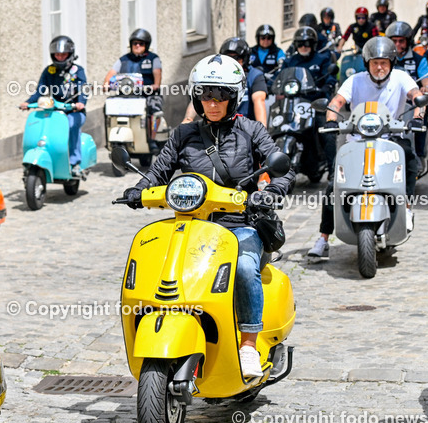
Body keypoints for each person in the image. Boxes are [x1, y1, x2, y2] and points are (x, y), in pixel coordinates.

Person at [120, 54, 294, 379]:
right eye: (205, 95)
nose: (213, 103)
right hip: (192, 225)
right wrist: (138, 189)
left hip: (240, 225)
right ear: (196, 97)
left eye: (221, 96)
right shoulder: (183, 135)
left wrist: (266, 194)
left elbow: (282, 168)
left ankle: (247, 344)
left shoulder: (250, 131)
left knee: (243, 267)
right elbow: (158, 171)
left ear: (233, 97)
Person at [307, 37, 427, 261]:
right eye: (374, 63)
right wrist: (331, 119)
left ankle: (407, 207)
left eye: (384, 62)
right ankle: (323, 238)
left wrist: (419, 114)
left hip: (391, 136)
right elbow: (337, 102)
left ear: (392, 62)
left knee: (411, 162)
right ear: (367, 63)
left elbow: (416, 96)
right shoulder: (355, 81)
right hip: (357, 138)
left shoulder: (401, 77)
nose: (379, 67)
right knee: (334, 183)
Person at [20, 35, 88, 177]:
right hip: (56, 110)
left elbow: (83, 89)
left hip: (73, 111)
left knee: (70, 125)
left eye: (63, 54)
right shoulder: (49, 70)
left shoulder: (78, 70)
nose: (60, 57)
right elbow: (40, 90)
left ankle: (75, 162)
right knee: (41, 123)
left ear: (70, 54)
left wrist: (81, 103)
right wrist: (28, 102)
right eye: (57, 54)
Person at [280, 26, 337, 177]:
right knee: (277, 127)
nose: (303, 47)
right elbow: (279, 78)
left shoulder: (322, 59)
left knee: (328, 132)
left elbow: (329, 76)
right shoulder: (290, 61)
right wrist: (272, 85)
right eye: (300, 44)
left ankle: (333, 172)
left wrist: (327, 85)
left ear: (313, 44)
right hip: (293, 104)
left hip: (316, 104)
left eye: (307, 43)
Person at [102, 28, 165, 153]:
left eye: (140, 43)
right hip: (127, 95)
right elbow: (112, 72)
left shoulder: (153, 58)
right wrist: (106, 84)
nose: (137, 46)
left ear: (146, 45)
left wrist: (154, 85)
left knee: (154, 109)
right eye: (134, 43)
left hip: (148, 94)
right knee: (108, 107)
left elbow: (157, 75)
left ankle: (152, 139)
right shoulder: (123, 59)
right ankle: (109, 139)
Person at [182, 37, 268, 126]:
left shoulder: (254, 75)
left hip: (245, 128)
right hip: (217, 127)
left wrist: (261, 128)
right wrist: (188, 118)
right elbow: (201, 94)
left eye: (236, 58)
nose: (231, 61)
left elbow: (259, 100)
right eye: (227, 57)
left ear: (245, 59)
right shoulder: (216, 74)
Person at [386, 21, 428, 161]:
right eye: (394, 41)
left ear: (408, 41)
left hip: (411, 103)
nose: (398, 45)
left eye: (401, 41)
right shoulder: (384, 60)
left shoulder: (418, 59)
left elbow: (427, 79)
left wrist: (426, 87)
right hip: (388, 103)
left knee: (420, 118)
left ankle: (419, 154)